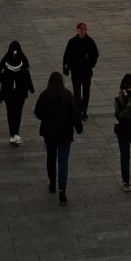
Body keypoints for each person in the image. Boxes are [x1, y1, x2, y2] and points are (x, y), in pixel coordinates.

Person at [34, 71, 83, 203]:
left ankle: (52, 183)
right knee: (63, 161)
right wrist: (79, 128)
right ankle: (62, 188)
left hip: (49, 133)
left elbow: (37, 112)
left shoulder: (44, 95)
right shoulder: (67, 95)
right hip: (65, 133)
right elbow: (75, 114)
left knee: (51, 157)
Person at [0, 40, 34, 145]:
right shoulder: (23, 60)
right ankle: (15, 133)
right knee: (16, 113)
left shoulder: (5, 60)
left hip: (9, 92)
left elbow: (0, 73)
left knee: (12, 113)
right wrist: (30, 88)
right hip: (18, 92)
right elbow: (27, 75)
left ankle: (13, 133)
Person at [62, 22, 99, 119]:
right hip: (75, 71)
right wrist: (66, 67)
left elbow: (95, 55)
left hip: (86, 71)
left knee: (86, 92)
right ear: (77, 30)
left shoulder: (90, 41)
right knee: (77, 92)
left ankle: (84, 111)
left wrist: (90, 65)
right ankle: (80, 110)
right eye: (80, 30)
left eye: (83, 29)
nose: (82, 31)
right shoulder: (73, 41)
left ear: (86, 30)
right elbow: (67, 55)